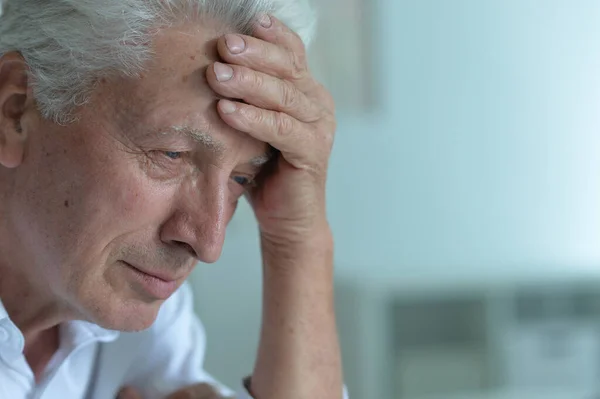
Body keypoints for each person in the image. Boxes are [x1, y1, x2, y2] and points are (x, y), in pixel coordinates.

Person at [0, 0, 347, 398]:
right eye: (172, 155)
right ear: (15, 110)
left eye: (241, 178)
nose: (207, 241)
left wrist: (297, 239)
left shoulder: (125, 304)